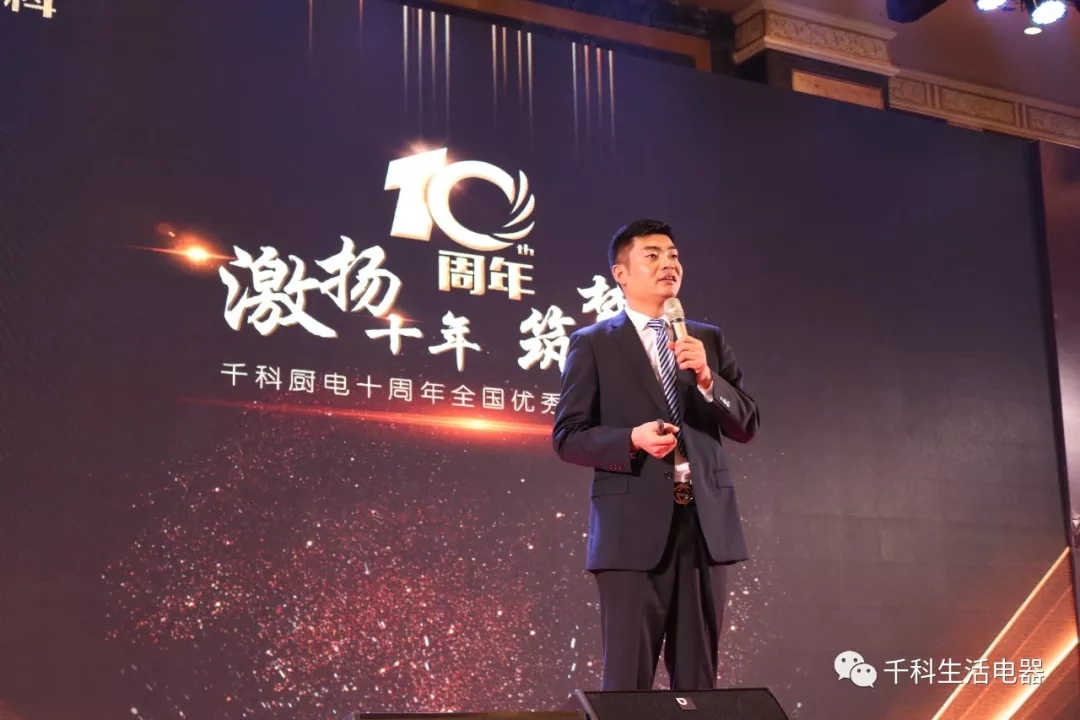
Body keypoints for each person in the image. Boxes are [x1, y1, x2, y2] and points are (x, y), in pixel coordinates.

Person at [552, 218, 760, 692]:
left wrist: (708, 380)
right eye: (653, 255)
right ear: (620, 274)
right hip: (630, 535)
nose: (669, 263)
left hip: (704, 529)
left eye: (674, 255)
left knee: (699, 683)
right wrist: (632, 438)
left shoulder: (707, 340)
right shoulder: (593, 343)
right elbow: (567, 437)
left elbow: (747, 424)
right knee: (627, 683)